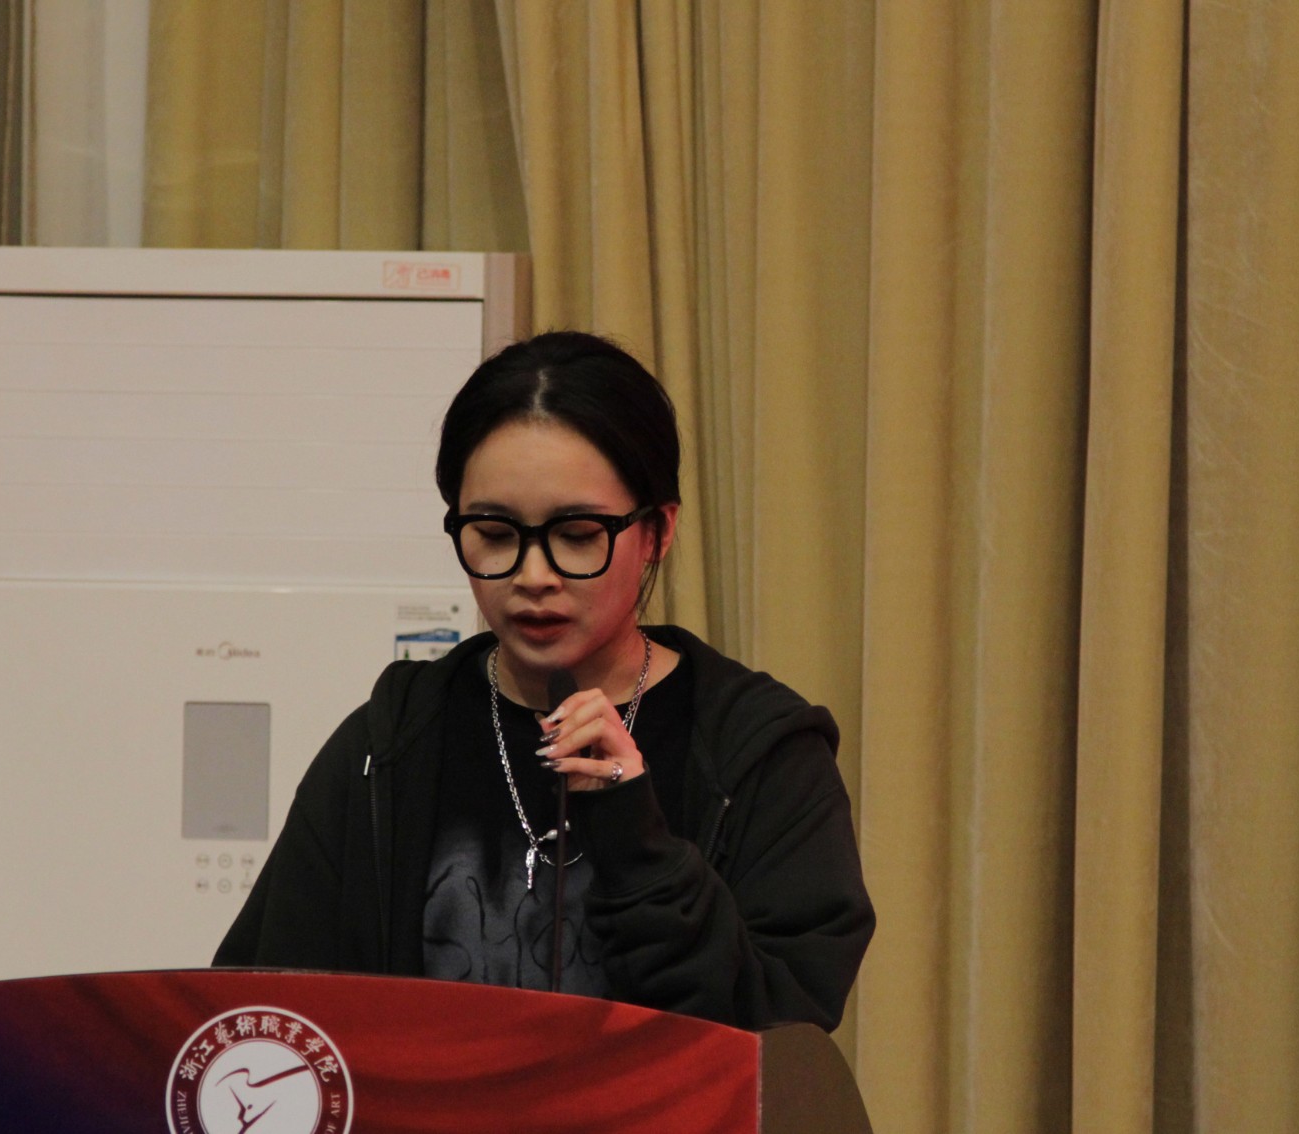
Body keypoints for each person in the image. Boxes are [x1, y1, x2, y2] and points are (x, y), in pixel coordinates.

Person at [214, 331, 874, 1031]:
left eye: (577, 534)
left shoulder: (760, 754)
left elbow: (781, 1033)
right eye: (495, 533)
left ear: (658, 530)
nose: (534, 576)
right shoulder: (389, 745)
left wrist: (638, 840)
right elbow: (259, 1015)